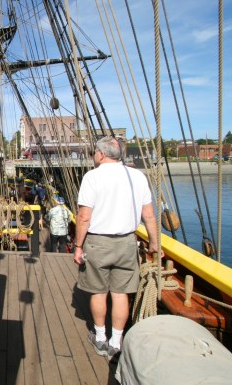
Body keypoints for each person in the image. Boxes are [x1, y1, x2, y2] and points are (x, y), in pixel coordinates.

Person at [72, 136, 158, 362]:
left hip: (98, 243)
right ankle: (116, 341)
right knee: (120, 294)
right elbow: (148, 215)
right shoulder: (137, 176)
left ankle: (100, 337)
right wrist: (155, 244)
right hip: (127, 242)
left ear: (101, 154)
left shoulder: (93, 177)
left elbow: (83, 217)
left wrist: (78, 246)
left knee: (98, 291)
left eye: (94, 153)